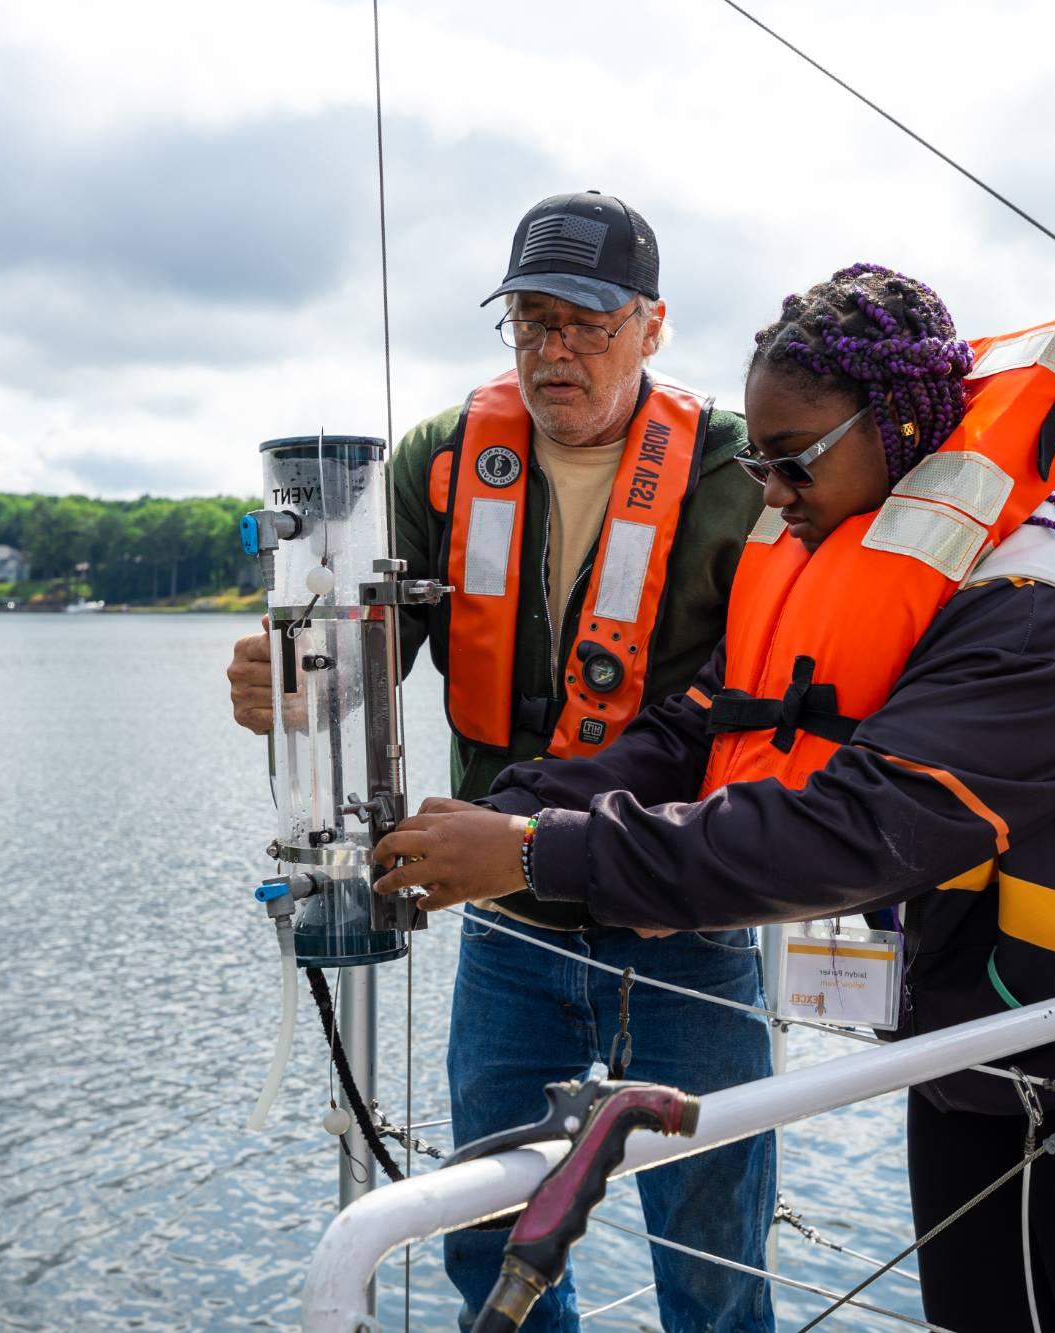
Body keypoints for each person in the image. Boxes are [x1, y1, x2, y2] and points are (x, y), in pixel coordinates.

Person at [373, 263, 1055, 1331]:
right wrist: (512, 805)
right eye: (754, 460)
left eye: (788, 459)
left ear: (899, 426)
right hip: (977, 1059)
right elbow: (707, 723)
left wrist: (536, 850)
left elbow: (848, 827)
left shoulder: (1041, 613)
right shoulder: (864, 564)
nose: (766, 491)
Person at [227, 191, 775, 1332]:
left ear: (652, 325)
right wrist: (288, 681)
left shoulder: (738, 473)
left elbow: (757, 704)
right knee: (487, 1234)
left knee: (713, 1253)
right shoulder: (440, 460)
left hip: (679, 917)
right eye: (529, 323)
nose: (552, 352)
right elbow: (363, 659)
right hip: (508, 926)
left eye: (584, 323)